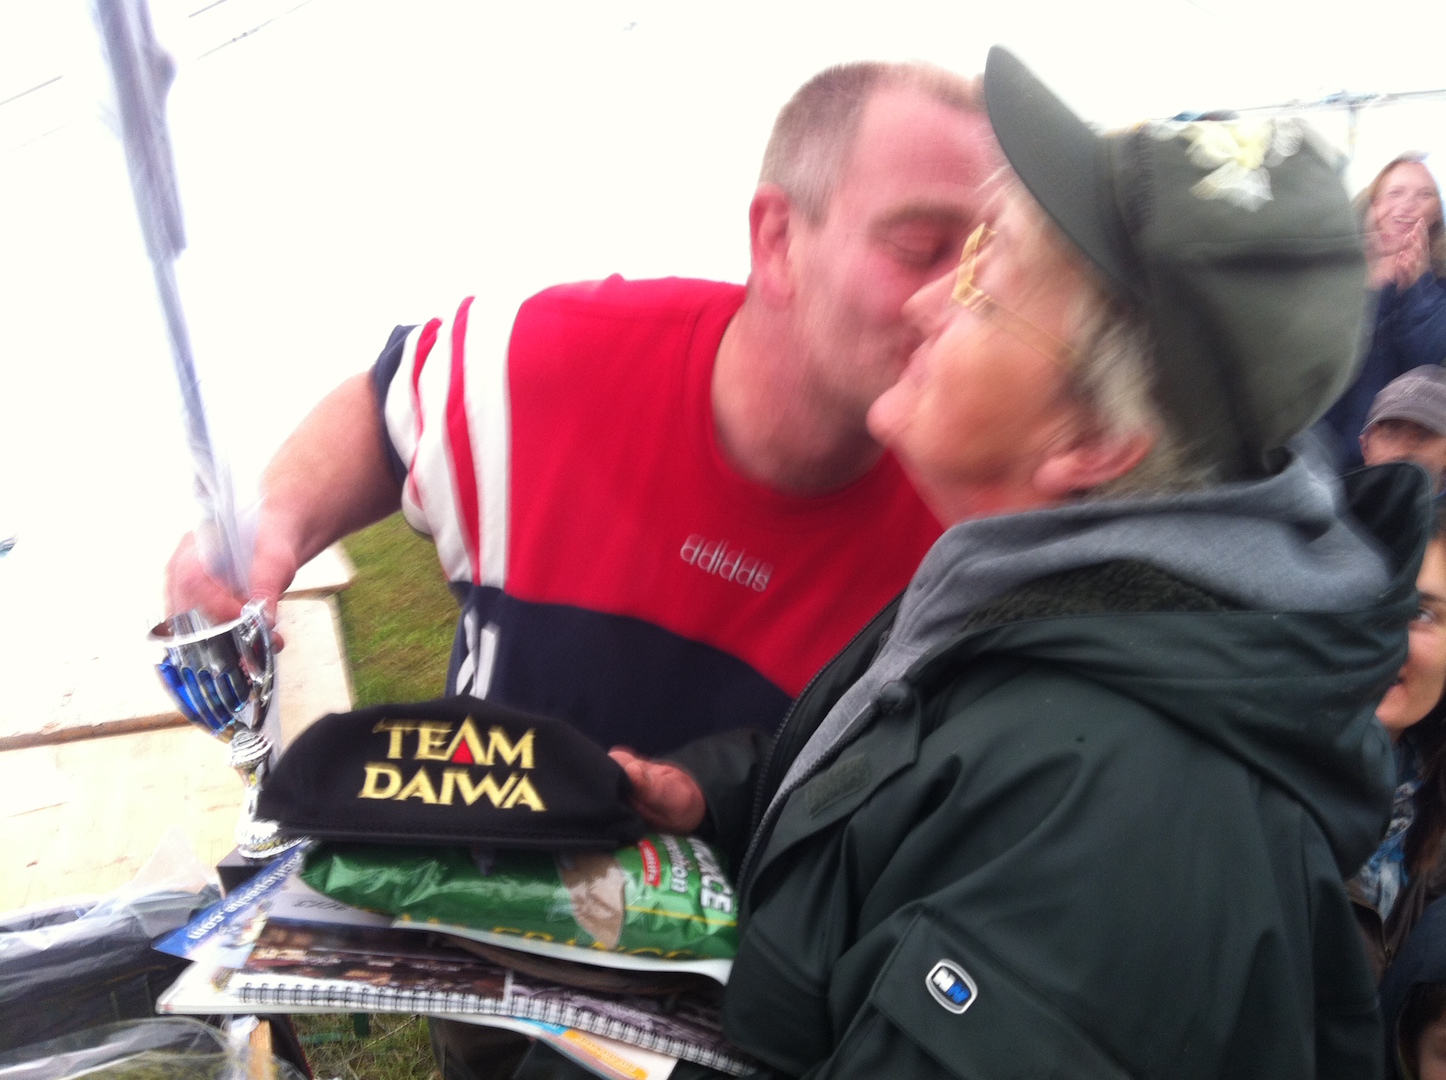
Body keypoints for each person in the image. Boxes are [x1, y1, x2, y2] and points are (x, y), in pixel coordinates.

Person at [599, 47, 1432, 1080]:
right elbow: (926, 793)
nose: (924, 305)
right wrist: (719, 801)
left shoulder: (1114, 840)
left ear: (1094, 442)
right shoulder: (1063, 601)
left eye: (983, 284)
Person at [163, 61, 999, 1080]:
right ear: (778, 239)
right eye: (919, 247)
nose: (957, 301)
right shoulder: (554, 361)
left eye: (987, 261)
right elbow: (386, 413)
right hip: (480, 909)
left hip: (738, 985)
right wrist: (275, 522)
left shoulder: (972, 524)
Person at [1351, 512, 1446, 981]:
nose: (1389, 641)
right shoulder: (1243, 793)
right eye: (1372, 603)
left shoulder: (1431, 802)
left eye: (1421, 613)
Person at [1315, 154, 1446, 470]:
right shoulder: (1335, 271)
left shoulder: (1439, 283)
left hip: (1391, 455)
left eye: (1424, 195)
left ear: (1436, 214)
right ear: (1373, 205)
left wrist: (1419, 287)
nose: (1408, 204)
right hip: (1316, 442)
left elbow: (1428, 363)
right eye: (1395, 193)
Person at [1362, 367, 1446, 494]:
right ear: (1365, 446)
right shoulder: (1335, 501)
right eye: (1391, 431)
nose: (1403, 450)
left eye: (1423, 436)